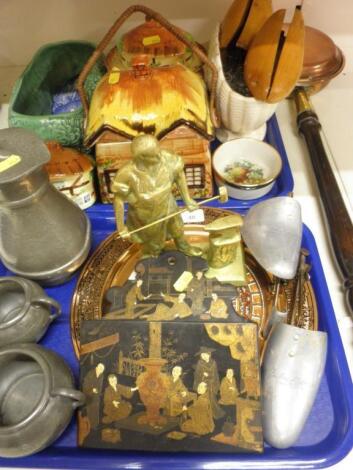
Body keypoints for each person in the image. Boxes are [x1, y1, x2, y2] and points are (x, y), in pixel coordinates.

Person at [112, 134, 202, 258]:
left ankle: (183, 246)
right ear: (141, 157)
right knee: (152, 241)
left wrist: (187, 199)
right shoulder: (127, 174)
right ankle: (152, 258)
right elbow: (119, 200)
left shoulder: (167, 159)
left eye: (158, 151)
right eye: (154, 155)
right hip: (145, 216)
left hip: (169, 206)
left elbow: (179, 175)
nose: (159, 156)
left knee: (177, 229)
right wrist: (121, 228)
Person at [193, 347, 225, 419]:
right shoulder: (200, 363)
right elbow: (197, 374)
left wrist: (212, 379)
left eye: (206, 354)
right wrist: (202, 375)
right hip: (202, 382)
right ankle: (204, 412)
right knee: (204, 397)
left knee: (212, 397)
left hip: (212, 382)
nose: (204, 356)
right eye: (203, 355)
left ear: (209, 354)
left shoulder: (213, 362)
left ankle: (213, 412)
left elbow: (215, 374)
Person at [82, 363, 105, 430]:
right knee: (90, 410)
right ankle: (89, 425)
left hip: (96, 396)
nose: (101, 370)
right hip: (88, 395)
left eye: (102, 370)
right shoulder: (90, 374)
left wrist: (98, 392)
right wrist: (92, 390)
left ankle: (95, 425)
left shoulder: (101, 375)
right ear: (97, 367)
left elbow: (100, 386)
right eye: (100, 368)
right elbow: (85, 386)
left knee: (96, 410)